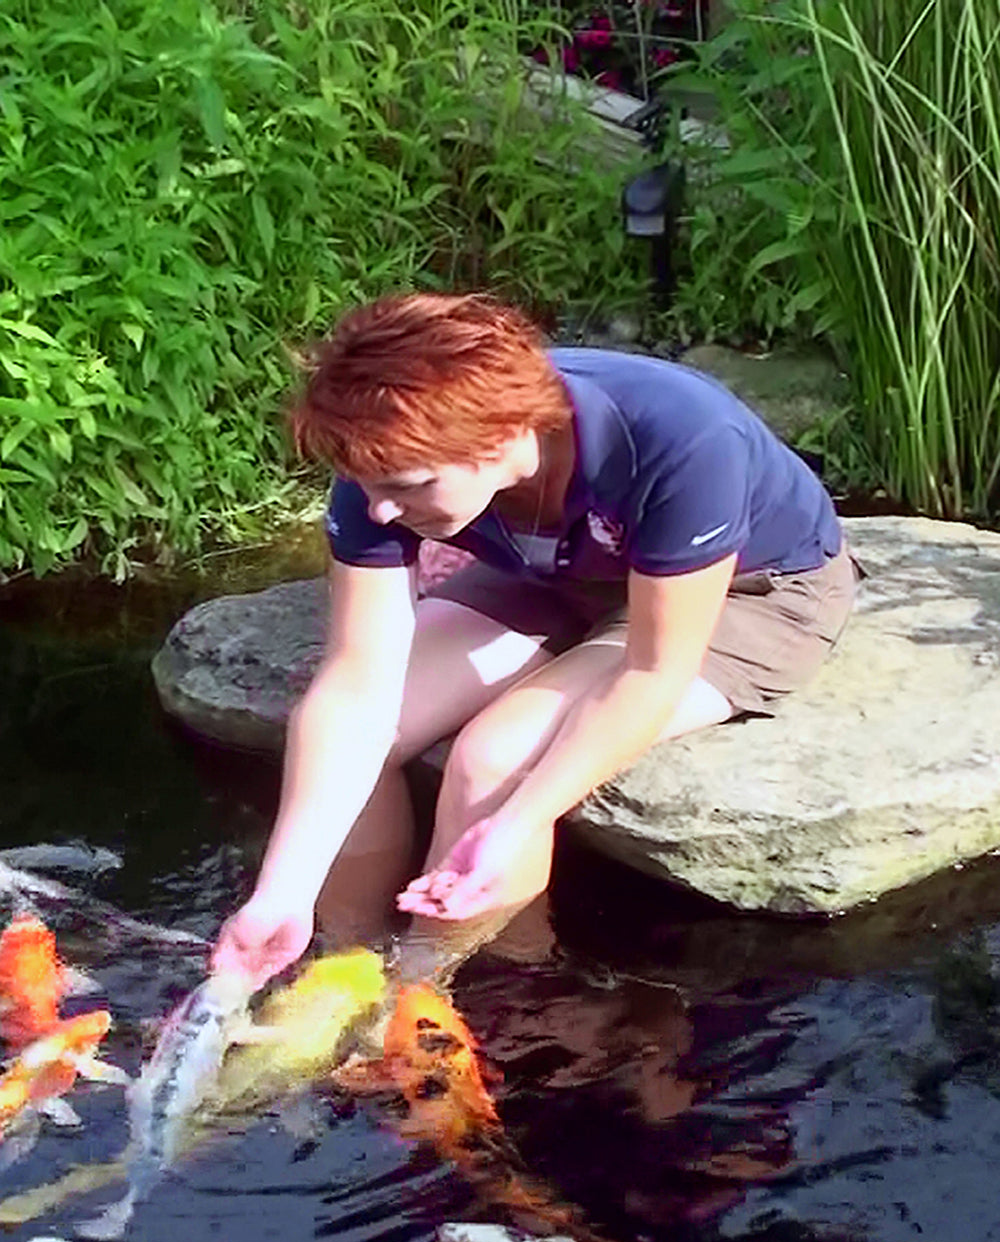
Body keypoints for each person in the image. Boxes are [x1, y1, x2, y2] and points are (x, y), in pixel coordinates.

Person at [212, 292, 857, 992]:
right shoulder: (389, 460)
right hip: (557, 571)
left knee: (494, 759)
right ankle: (342, 967)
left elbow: (652, 672)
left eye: (408, 487)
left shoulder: (682, 439)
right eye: (367, 487)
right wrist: (281, 892)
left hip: (750, 592)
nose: (381, 510)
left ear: (499, 437)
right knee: (364, 738)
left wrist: (518, 823)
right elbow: (357, 686)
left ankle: (447, 991)